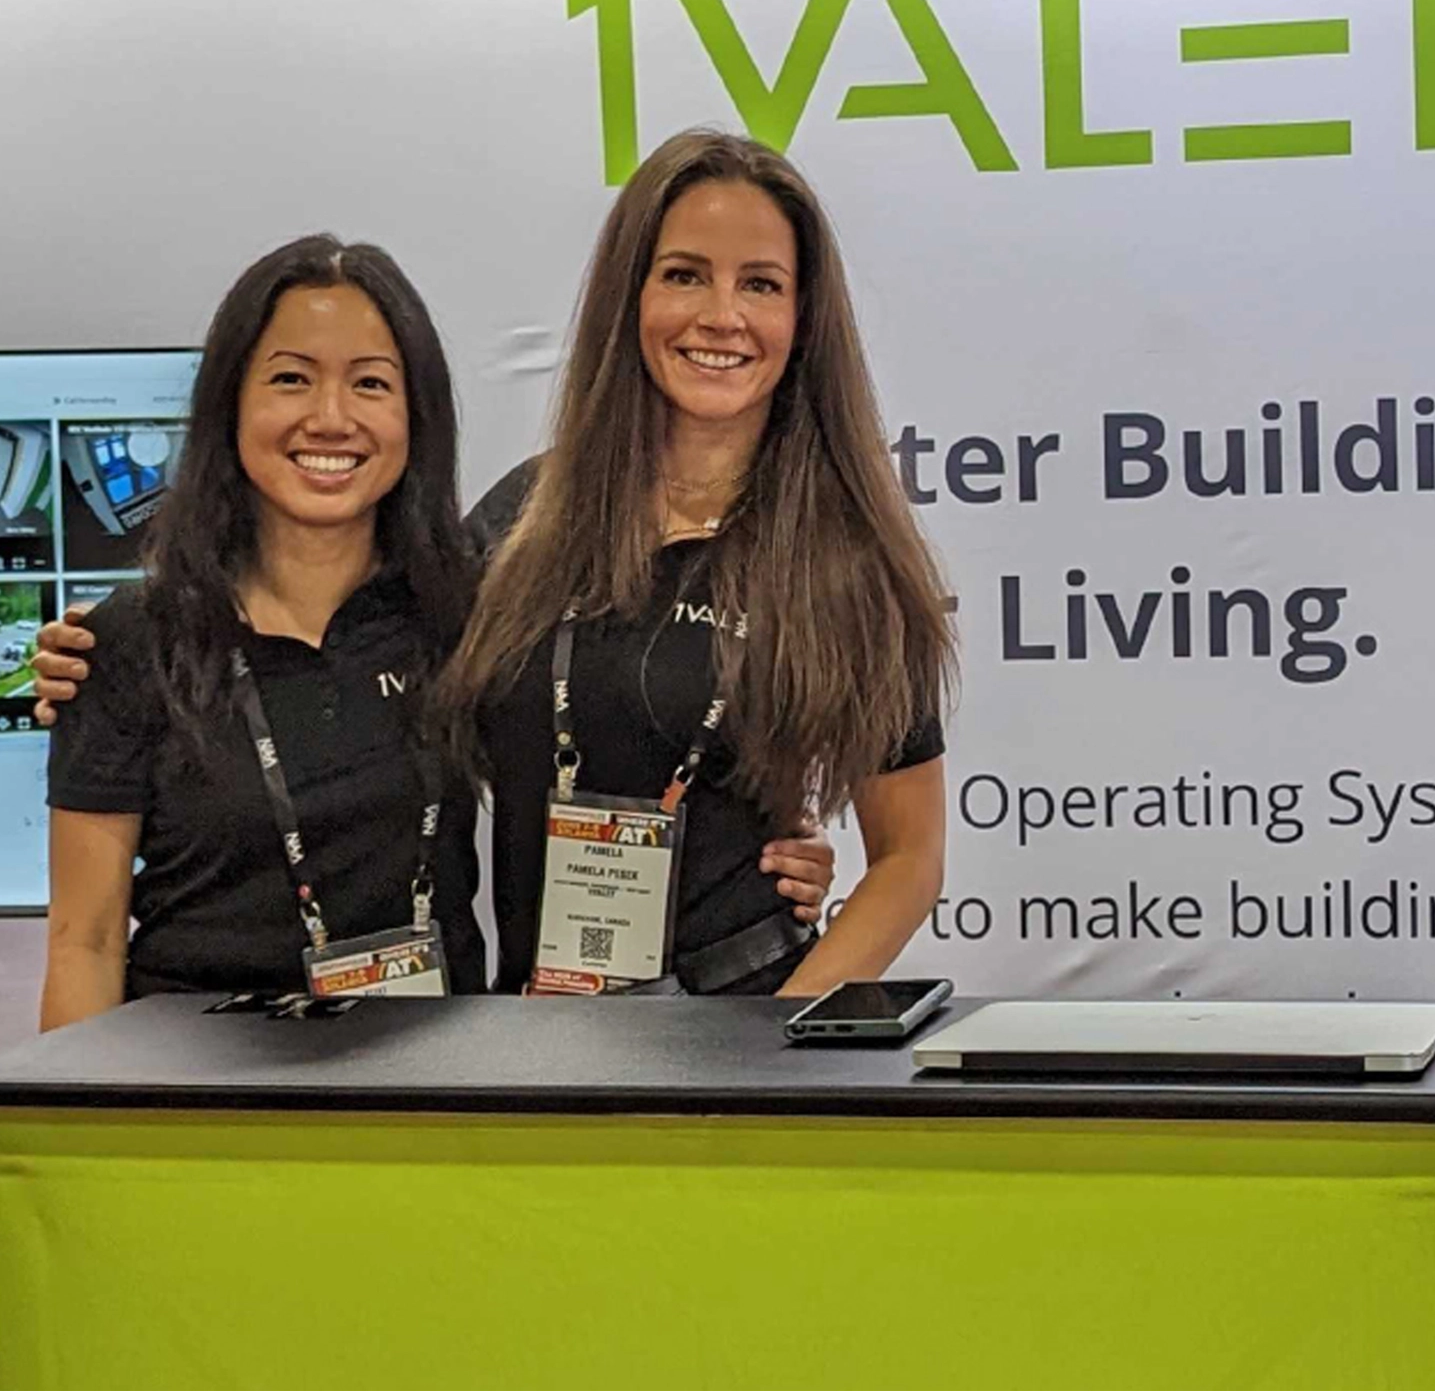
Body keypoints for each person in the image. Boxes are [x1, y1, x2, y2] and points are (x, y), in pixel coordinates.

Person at [35, 235, 835, 1024]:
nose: (331, 417)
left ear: (415, 415)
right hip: (196, 1106)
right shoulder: (135, 643)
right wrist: (73, 1140)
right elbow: (85, 941)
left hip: (426, 1095)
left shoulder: (468, 607)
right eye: (290, 379)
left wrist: (762, 855)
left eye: (372, 384)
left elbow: (625, 718)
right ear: (229, 405)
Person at [438, 129, 955, 999]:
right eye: (685, 275)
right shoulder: (519, 522)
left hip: (742, 1033)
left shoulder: (846, 558)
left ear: (802, 317)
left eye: (760, 284)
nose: (722, 316)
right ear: (630, 295)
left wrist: (780, 1045)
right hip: (536, 1041)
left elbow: (911, 858)